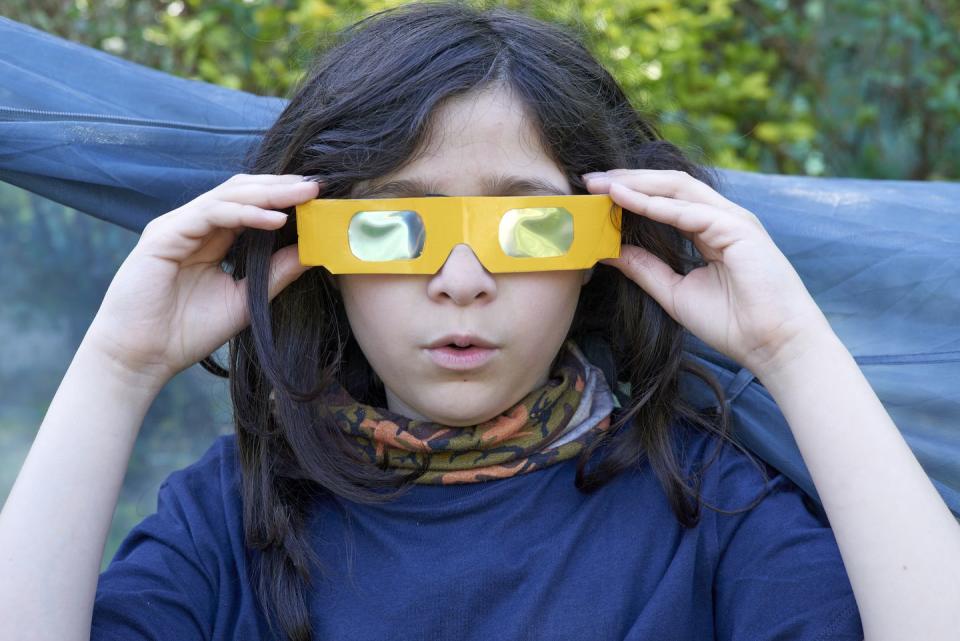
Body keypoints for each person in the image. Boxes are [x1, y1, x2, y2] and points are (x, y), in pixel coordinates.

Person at [1, 2, 957, 640]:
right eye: (390, 225)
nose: (462, 278)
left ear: (599, 252)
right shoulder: (232, 519)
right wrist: (117, 365)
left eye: (531, 224)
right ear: (321, 260)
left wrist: (794, 349)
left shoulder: (710, 507)